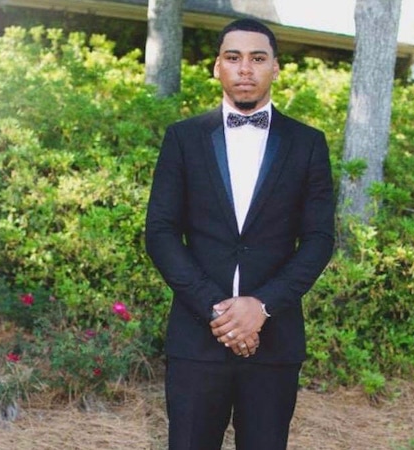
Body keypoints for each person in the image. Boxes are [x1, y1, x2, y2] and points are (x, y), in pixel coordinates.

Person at [145, 17, 335, 450]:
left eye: (257, 58)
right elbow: (160, 232)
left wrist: (262, 306)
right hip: (196, 339)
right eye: (233, 57)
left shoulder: (308, 143)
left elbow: (319, 238)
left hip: (275, 341)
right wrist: (217, 310)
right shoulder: (183, 138)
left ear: (275, 68)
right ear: (217, 67)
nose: (245, 68)